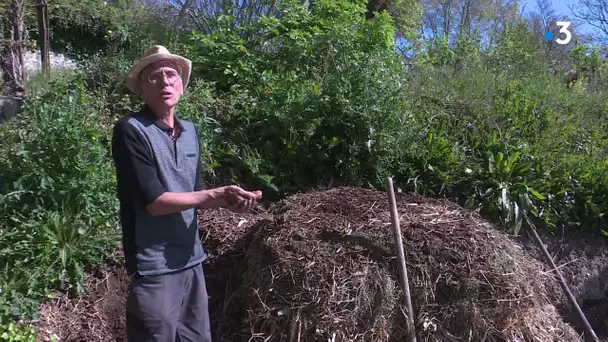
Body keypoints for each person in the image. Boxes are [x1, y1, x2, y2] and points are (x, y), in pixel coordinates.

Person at [111, 45, 262, 342]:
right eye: (155, 77)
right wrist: (213, 194)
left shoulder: (191, 131)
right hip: (155, 267)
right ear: (142, 88)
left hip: (192, 261)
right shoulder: (131, 131)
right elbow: (154, 203)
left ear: (182, 84)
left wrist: (225, 201)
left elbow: (192, 194)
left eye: (171, 75)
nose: (165, 82)